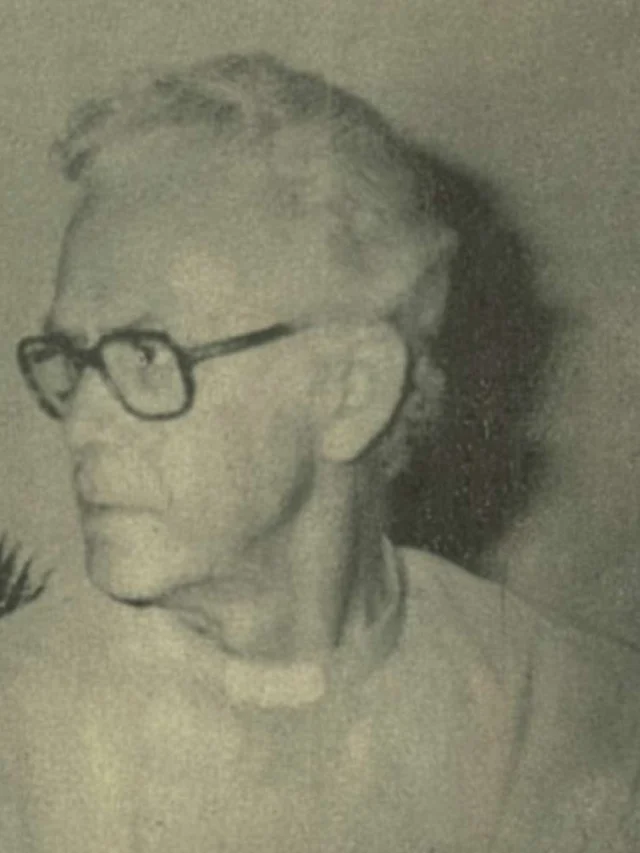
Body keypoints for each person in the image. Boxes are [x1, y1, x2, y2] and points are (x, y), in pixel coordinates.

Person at [1, 52, 638, 853]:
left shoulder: (580, 724)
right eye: (73, 358)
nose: (82, 420)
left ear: (350, 390)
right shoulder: (16, 728)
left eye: (149, 352)